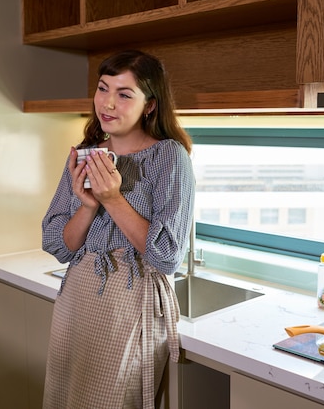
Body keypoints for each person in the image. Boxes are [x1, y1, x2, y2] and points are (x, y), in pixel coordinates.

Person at [41, 49, 195, 409]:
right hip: (76, 296)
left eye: (124, 94)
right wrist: (88, 205)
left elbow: (167, 256)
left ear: (150, 105)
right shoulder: (85, 153)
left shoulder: (170, 157)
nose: (107, 103)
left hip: (128, 303)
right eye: (103, 88)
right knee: (64, 398)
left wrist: (111, 198)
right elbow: (56, 244)